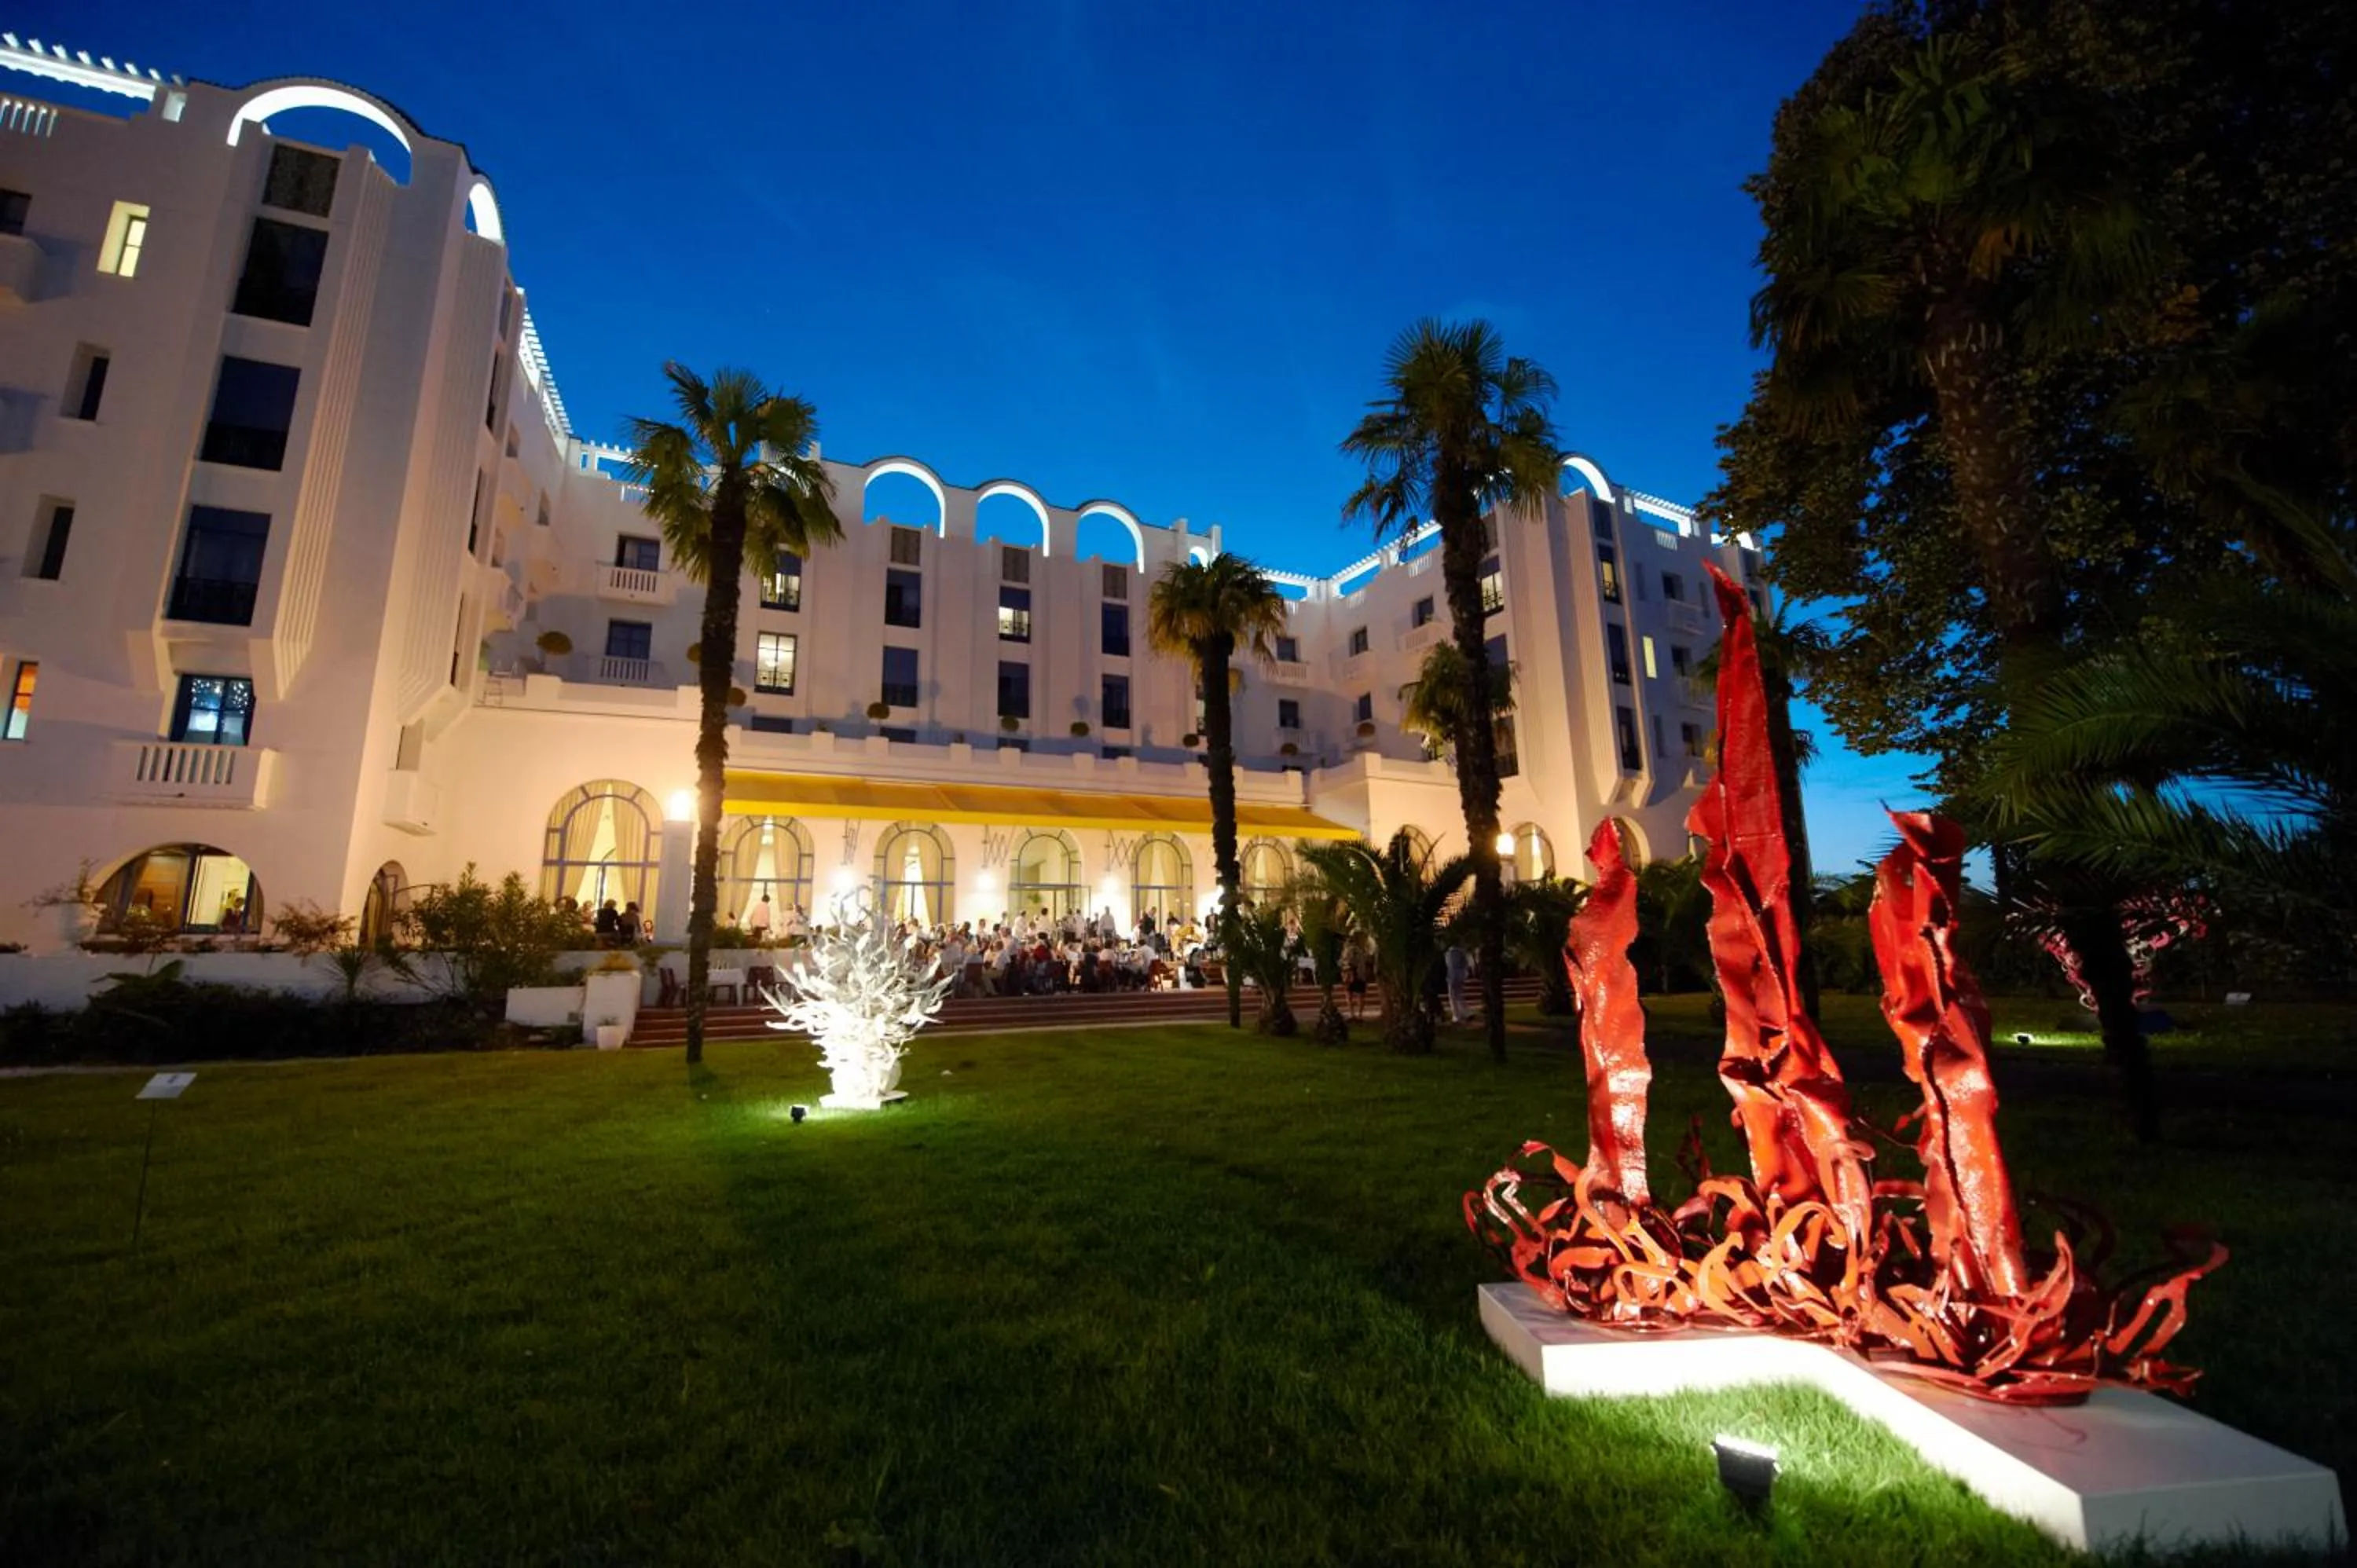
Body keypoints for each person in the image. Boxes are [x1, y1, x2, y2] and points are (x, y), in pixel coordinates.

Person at [1445, 940, 1471, 1026]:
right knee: (1459, 995)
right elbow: (1465, 964)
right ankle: (1464, 1012)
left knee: (1453, 996)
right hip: (1460, 976)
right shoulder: (1461, 952)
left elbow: (1449, 966)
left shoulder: (1449, 953)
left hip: (1452, 976)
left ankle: (1457, 1015)